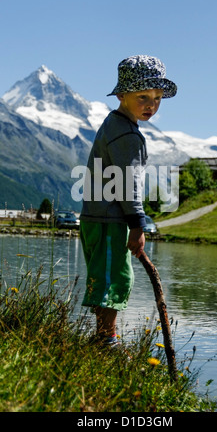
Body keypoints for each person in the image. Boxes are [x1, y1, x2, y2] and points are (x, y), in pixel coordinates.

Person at [79, 55, 177, 349]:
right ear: (122, 95)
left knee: (106, 277)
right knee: (114, 280)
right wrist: (138, 224)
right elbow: (128, 182)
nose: (152, 105)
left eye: (158, 98)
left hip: (99, 216)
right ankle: (105, 342)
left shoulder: (115, 123)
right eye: (143, 96)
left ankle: (102, 338)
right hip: (111, 219)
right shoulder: (125, 134)